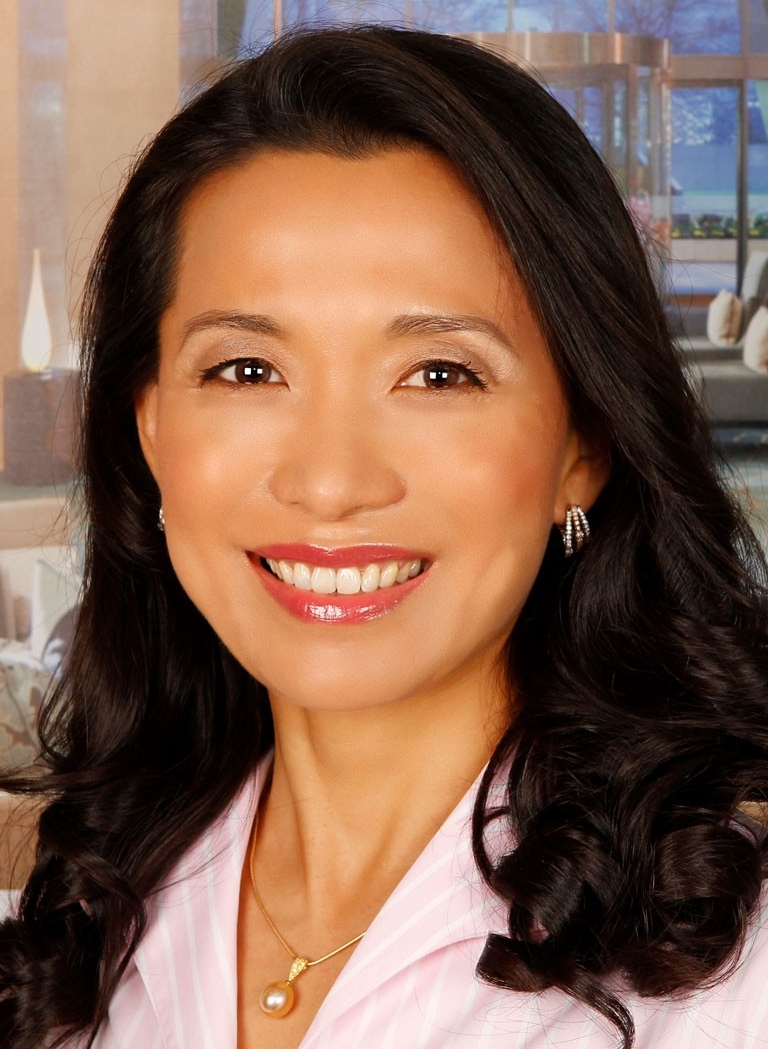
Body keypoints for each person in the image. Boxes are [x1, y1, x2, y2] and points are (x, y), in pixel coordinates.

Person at [1, 24, 768, 1049]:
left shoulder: (730, 975)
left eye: (440, 374)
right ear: (150, 429)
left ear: (583, 444)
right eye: (246, 370)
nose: (330, 480)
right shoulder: (65, 928)